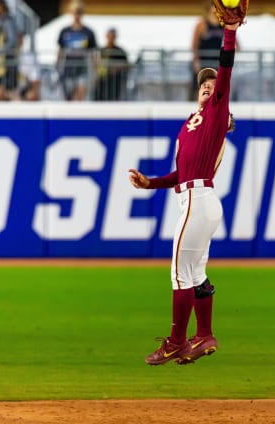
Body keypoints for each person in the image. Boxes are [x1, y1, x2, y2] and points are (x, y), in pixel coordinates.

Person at [128, 21, 241, 366]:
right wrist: (152, 183)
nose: (208, 86)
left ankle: (176, 341)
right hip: (197, 199)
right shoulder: (191, 122)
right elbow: (181, 174)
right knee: (194, 274)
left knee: (179, 272)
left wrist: (230, 31)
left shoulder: (215, 114)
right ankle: (203, 334)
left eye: (212, 84)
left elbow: (225, 69)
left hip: (198, 201)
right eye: (203, 83)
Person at [57, 0, 98, 101]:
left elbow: (94, 52)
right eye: (75, 11)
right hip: (68, 68)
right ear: (71, 12)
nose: (77, 14)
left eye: (79, 11)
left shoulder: (88, 32)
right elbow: (60, 50)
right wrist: (57, 66)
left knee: (80, 93)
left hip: (82, 68)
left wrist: (95, 70)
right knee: (68, 96)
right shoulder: (65, 31)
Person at [190, 1, 225, 100]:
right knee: (200, 89)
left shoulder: (223, 24)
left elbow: (235, 44)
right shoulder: (202, 24)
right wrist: (195, 60)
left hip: (216, 64)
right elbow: (194, 45)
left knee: (216, 91)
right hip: (203, 63)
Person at [94, 27, 129, 101]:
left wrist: (113, 69)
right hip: (102, 80)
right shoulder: (101, 50)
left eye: (112, 36)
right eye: (109, 36)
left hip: (115, 81)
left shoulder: (120, 51)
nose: (111, 38)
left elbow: (126, 65)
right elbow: (95, 64)